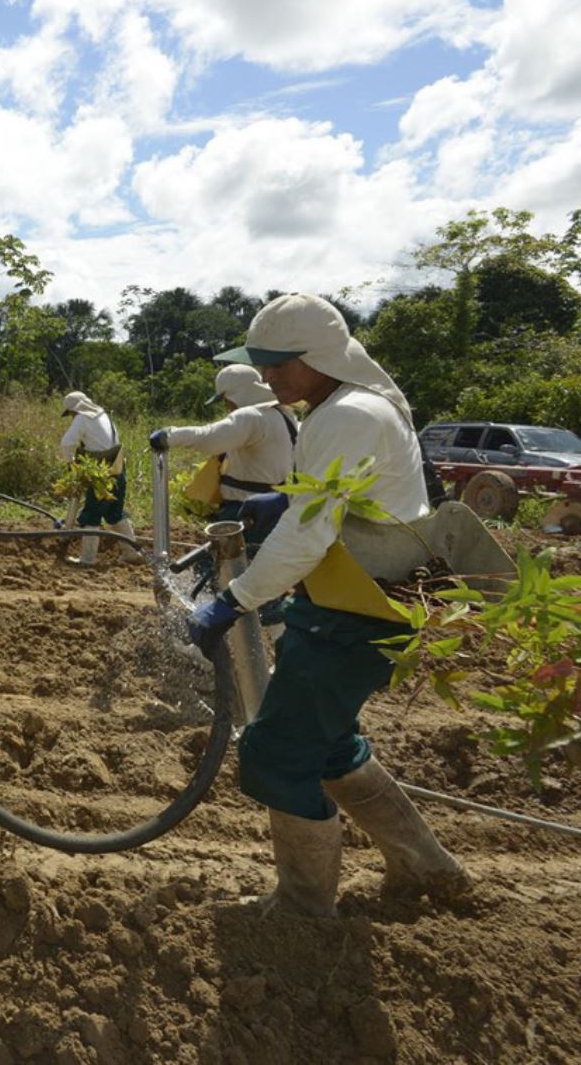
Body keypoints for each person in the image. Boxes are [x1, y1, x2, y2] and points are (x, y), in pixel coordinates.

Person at [186, 295, 467, 917]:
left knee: (276, 752)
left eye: (279, 364)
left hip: (353, 612)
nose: (267, 377)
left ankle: (302, 910)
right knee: (331, 744)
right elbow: (354, 496)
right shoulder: (347, 406)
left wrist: (234, 601)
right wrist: (283, 501)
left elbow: (311, 535)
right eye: (260, 364)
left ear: (319, 357)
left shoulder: (348, 416)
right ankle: (426, 865)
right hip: (360, 598)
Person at [149, 364, 298, 534]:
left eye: (226, 399)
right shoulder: (283, 413)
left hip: (248, 511)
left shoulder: (250, 417)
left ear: (237, 395)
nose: (227, 406)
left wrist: (169, 436)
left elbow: (208, 438)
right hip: (276, 507)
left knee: (229, 559)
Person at [57, 391, 138, 566]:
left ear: (75, 410)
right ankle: (131, 553)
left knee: (91, 515)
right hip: (118, 469)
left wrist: (70, 463)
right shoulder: (103, 415)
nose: (71, 417)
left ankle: (87, 559)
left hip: (101, 474)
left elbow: (67, 443)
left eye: (70, 413)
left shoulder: (82, 418)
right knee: (114, 513)